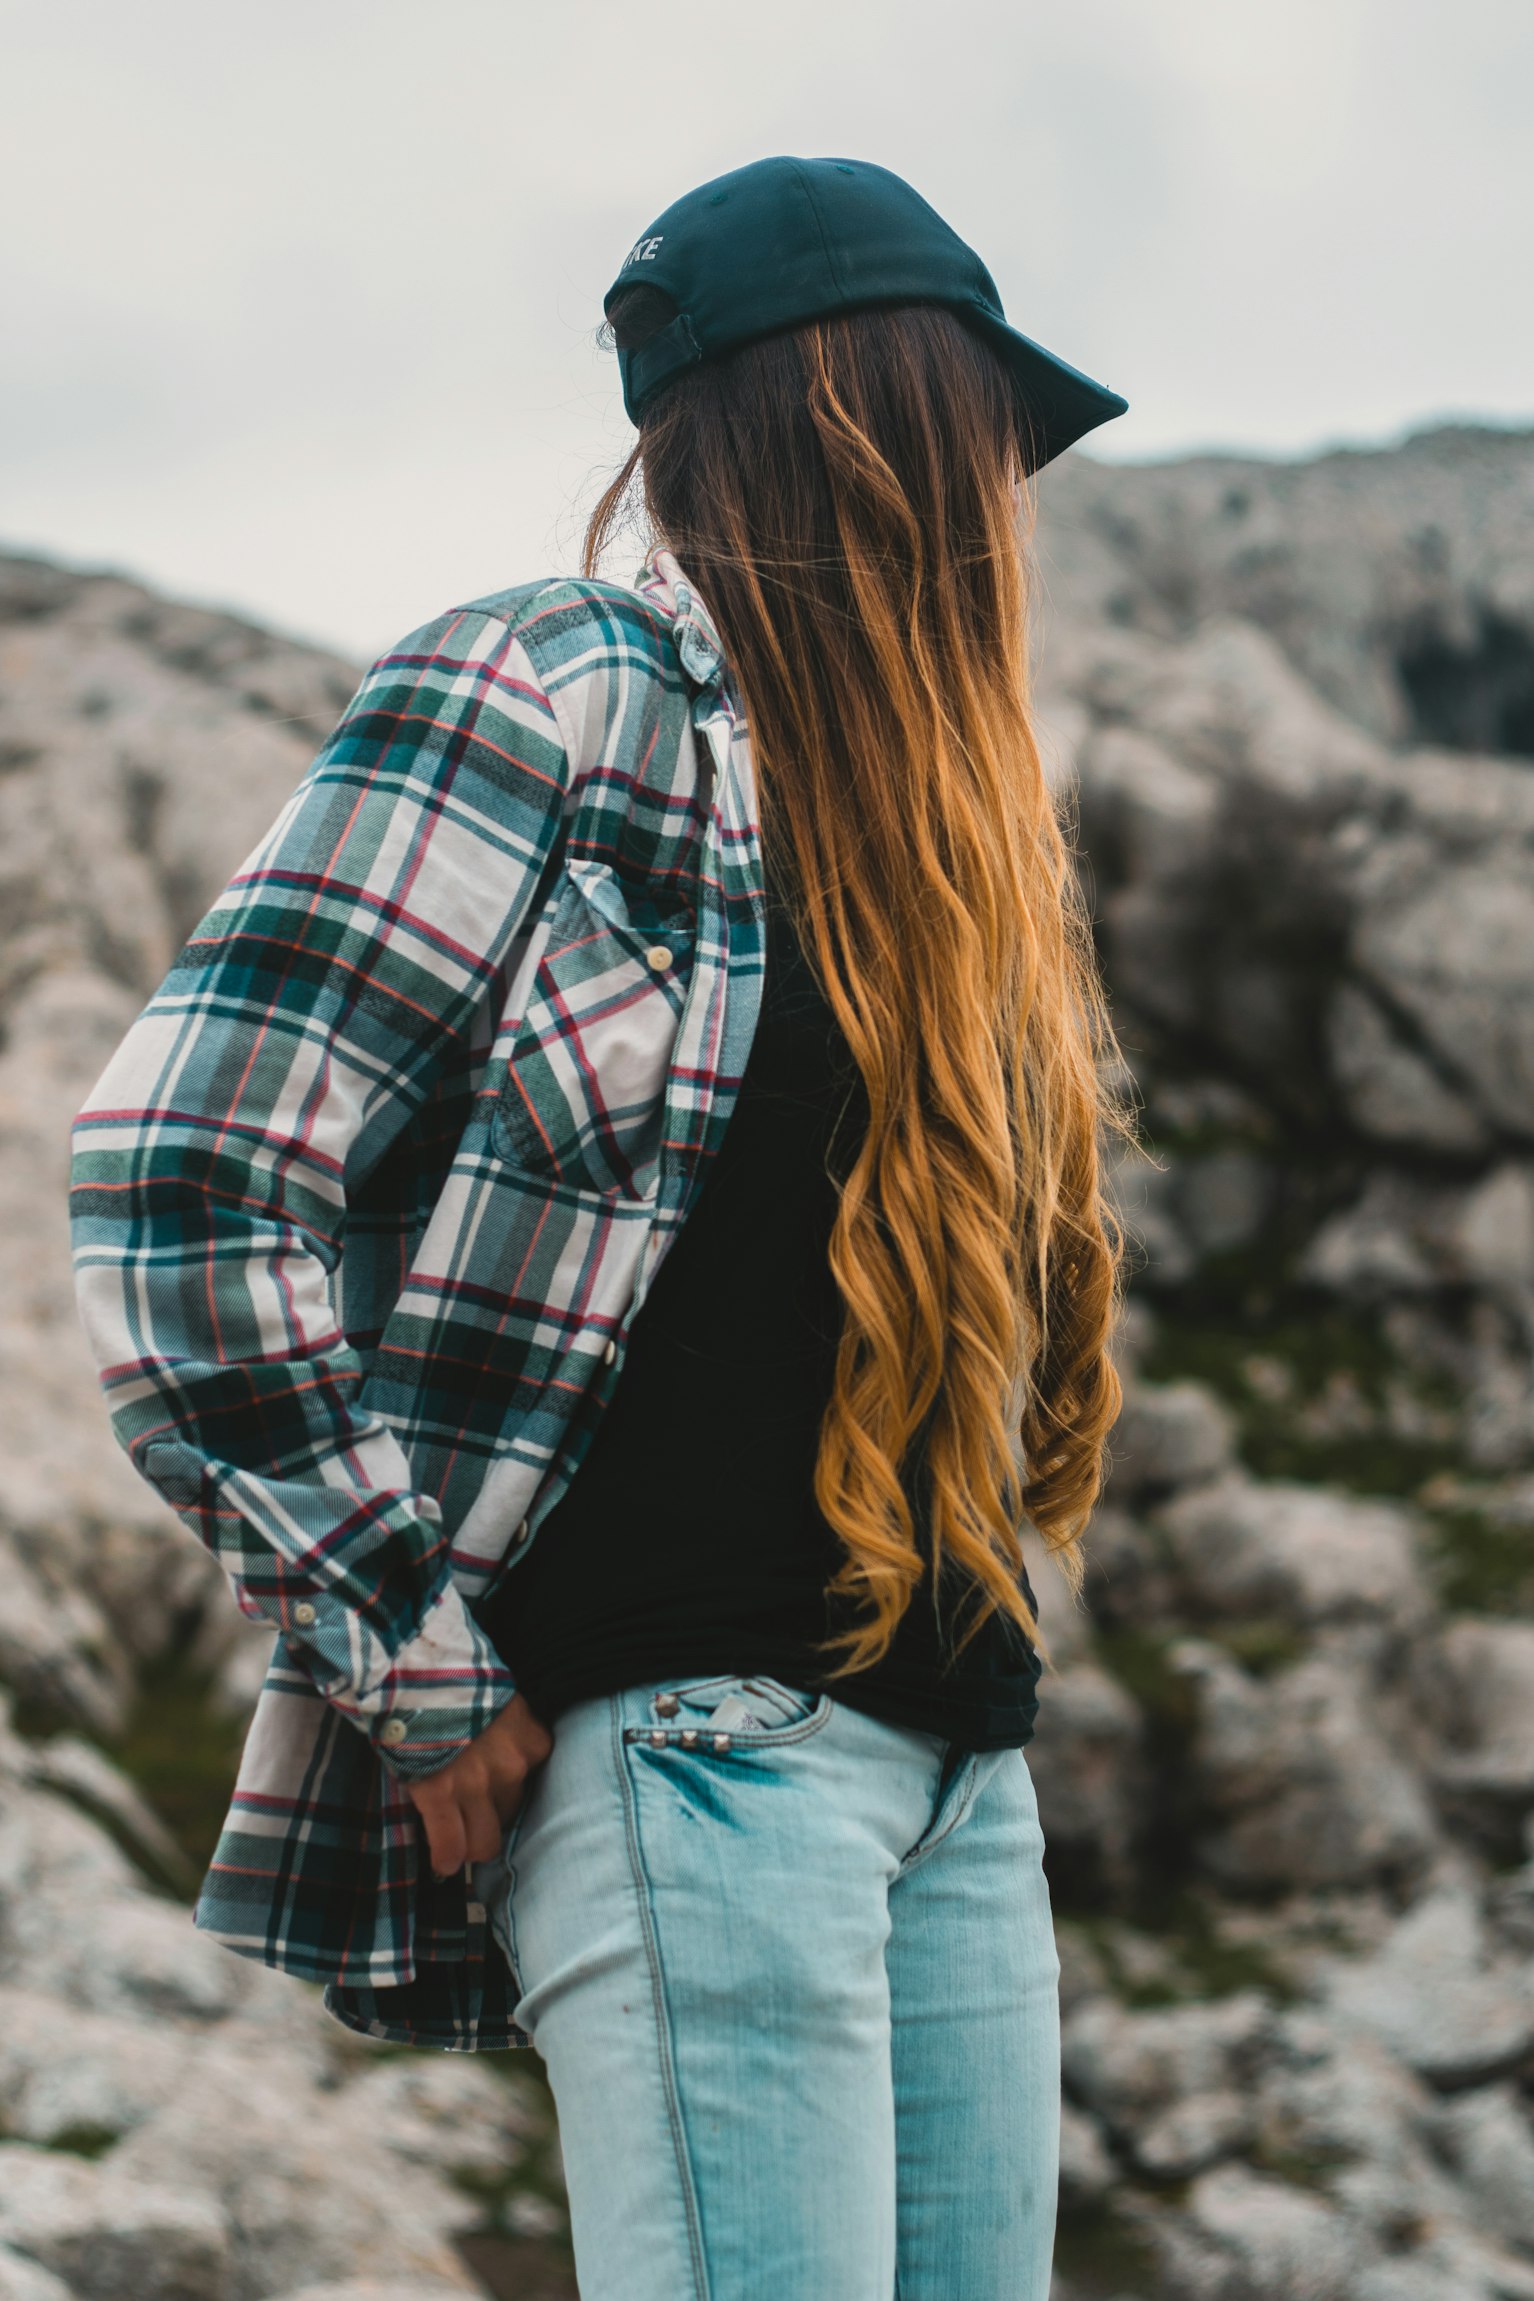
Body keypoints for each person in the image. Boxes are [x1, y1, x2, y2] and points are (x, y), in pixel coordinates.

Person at [71, 155, 1126, 2300]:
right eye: (972, 422)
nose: (999, 490)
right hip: (693, 1755)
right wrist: (417, 1660)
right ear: (858, 413)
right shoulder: (552, 695)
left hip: (954, 1766)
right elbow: (187, 1170)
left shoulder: (952, 828)